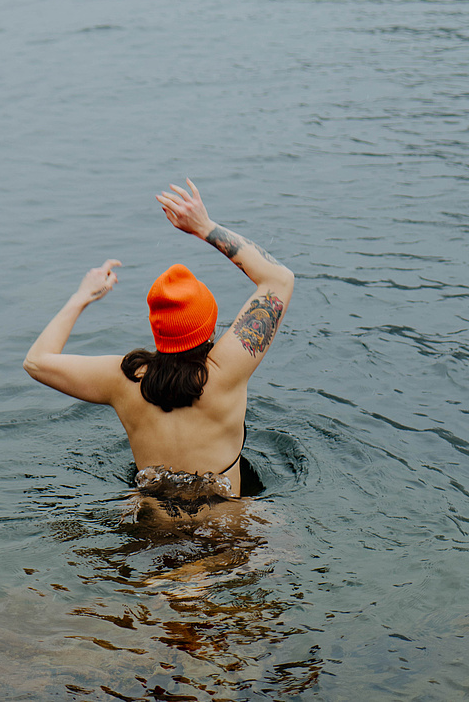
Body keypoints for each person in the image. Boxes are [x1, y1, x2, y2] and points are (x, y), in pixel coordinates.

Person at [23, 179, 294, 498]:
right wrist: (204, 227)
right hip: (225, 525)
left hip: (152, 526)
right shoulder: (230, 369)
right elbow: (279, 278)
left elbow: (36, 362)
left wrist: (82, 297)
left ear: (158, 328)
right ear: (208, 326)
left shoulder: (122, 380)